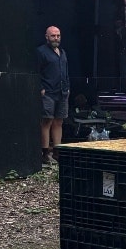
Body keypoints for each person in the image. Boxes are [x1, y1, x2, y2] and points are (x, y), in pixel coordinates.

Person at [36, 25, 70, 166]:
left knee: (59, 121)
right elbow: (36, 71)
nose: (56, 38)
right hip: (48, 92)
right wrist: (41, 88)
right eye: (53, 36)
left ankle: (57, 152)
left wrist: (68, 87)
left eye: (58, 35)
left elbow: (66, 71)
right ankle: (45, 153)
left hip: (62, 91)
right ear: (47, 37)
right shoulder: (41, 52)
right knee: (47, 121)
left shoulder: (62, 52)